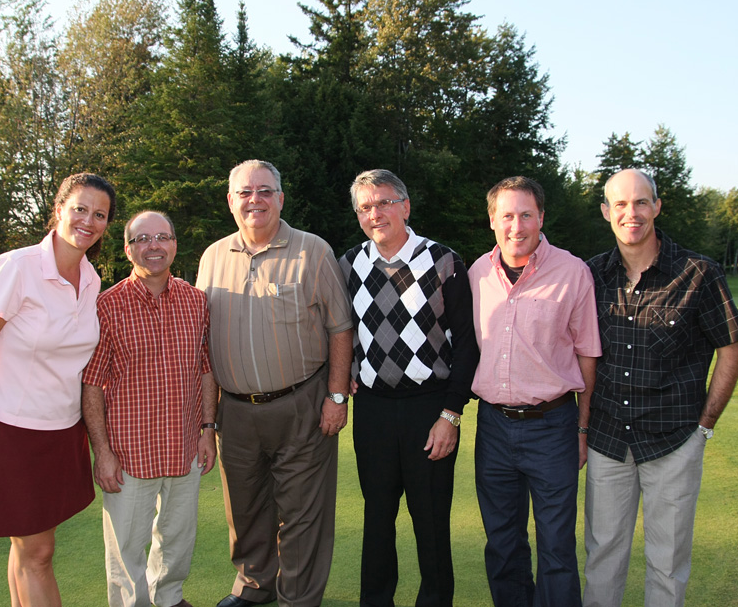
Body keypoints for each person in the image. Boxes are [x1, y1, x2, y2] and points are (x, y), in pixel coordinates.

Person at [583, 169, 738, 607]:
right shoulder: (592, 274)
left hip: (675, 441)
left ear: (657, 206)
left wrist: (705, 425)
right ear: (606, 212)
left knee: (668, 561)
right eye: (620, 204)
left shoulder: (699, 273)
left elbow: (731, 350)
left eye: (641, 202)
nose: (631, 213)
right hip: (608, 440)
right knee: (602, 556)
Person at [195, 159, 353, 607]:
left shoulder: (312, 250)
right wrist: (207, 420)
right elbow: (201, 342)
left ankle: (298, 598)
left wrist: (336, 396)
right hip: (235, 411)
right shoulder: (212, 257)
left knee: (303, 513)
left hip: (302, 404)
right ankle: (254, 586)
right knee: (245, 508)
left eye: (265, 191)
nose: (255, 200)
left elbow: (341, 327)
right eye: (245, 192)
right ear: (231, 201)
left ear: (281, 198)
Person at [0, 172, 116, 607]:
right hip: (12, 431)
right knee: (38, 553)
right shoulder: (17, 267)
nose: (88, 221)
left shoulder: (91, 278)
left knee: (27, 548)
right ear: (59, 209)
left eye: (99, 215)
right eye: (80, 209)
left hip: (63, 432)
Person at [337, 169, 479, 607]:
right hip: (374, 409)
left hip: (429, 407)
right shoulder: (349, 264)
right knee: (378, 516)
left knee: (431, 519)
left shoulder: (443, 260)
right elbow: (341, 329)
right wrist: (346, 372)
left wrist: (451, 414)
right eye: (365, 207)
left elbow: (467, 345)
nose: (375, 214)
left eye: (384, 202)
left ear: (405, 206)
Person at [468, 176, 601, 607]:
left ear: (541, 217)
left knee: (556, 547)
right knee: (503, 543)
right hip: (493, 426)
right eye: (507, 215)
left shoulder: (573, 272)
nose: (516, 226)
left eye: (526, 214)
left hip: (553, 427)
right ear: (492, 220)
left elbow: (587, 354)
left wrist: (582, 429)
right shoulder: (477, 274)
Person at [81, 211, 215, 607]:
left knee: (177, 537)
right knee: (126, 546)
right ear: (128, 250)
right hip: (128, 451)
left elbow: (206, 369)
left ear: (174, 244)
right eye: (142, 239)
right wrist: (102, 451)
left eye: (162, 237)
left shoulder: (196, 301)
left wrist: (208, 429)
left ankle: (169, 598)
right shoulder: (107, 306)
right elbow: (92, 385)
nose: (153, 246)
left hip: (184, 445)